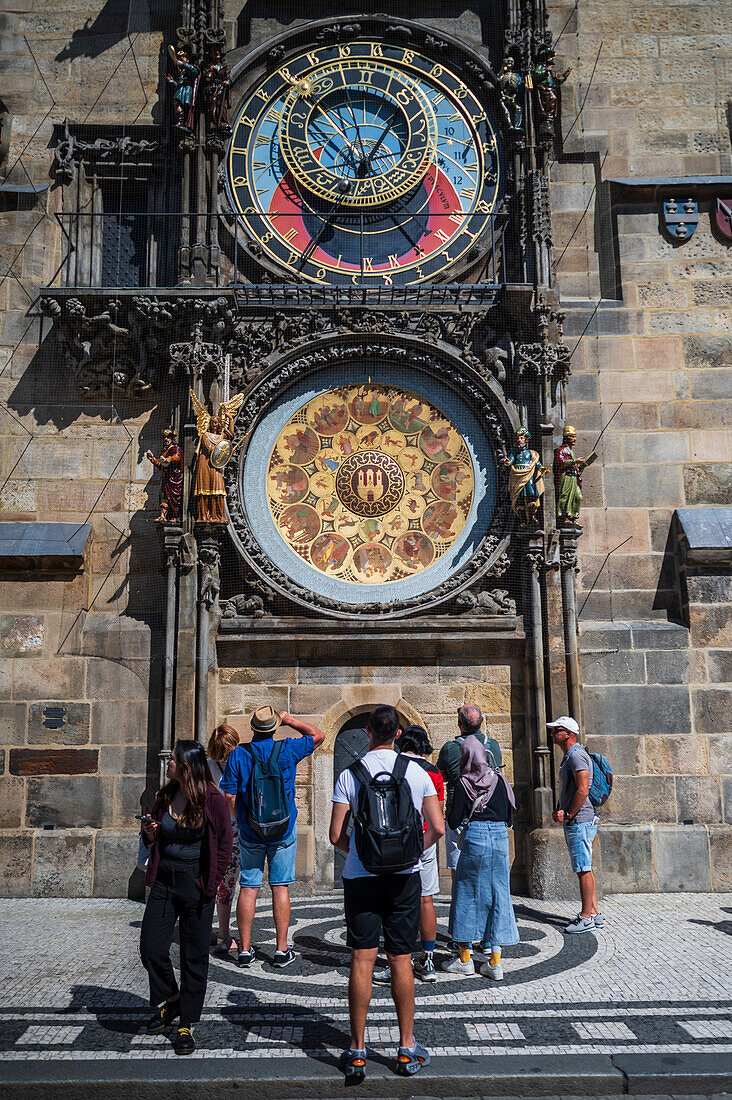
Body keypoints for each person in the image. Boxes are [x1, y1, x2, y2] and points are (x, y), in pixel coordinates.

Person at [329, 705, 445, 1079]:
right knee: (400, 959)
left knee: (362, 959)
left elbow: (335, 835)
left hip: (361, 878)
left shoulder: (350, 774)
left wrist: (362, 855)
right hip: (404, 877)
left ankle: (358, 1049)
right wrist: (411, 851)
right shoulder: (418, 772)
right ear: (398, 733)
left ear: (367, 732)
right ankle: (406, 1048)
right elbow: (438, 829)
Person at [139, 740, 233, 1055]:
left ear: (186, 765)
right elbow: (152, 837)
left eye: (174, 759)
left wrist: (211, 885)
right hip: (164, 882)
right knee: (151, 948)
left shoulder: (213, 799)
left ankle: (185, 1024)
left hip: (196, 883)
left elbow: (224, 845)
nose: (168, 762)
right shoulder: (165, 795)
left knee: (193, 957)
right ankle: (174, 1000)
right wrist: (150, 832)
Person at [221, 706, 324, 968]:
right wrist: (289, 718)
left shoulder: (238, 754)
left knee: (249, 887)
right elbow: (318, 735)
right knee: (280, 887)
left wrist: (240, 819)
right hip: (283, 830)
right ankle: (280, 950)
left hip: (250, 830)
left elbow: (230, 796)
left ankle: (244, 950)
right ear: (275, 727)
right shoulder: (288, 748)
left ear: (253, 727)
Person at [441, 735, 519, 979]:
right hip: (499, 839)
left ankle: (464, 958)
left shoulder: (465, 782)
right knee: (499, 894)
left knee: (466, 893)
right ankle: (495, 962)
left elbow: (454, 820)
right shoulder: (500, 780)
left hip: (474, 837)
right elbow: (510, 815)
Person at [373, 724, 445, 985]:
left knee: (395, 904)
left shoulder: (395, 767)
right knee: (426, 900)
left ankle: (396, 963)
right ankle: (427, 960)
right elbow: (437, 812)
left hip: (395, 842)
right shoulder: (434, 772)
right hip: (424, 841)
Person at [548, 716, 603, 933]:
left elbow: (583, 790)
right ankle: (595, 913)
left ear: (568, 733)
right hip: (579, 819)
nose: (553, 735)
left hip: (580, 820)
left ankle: (586, 917)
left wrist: (569, 814)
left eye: (556, 731)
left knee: (583, 869)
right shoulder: (571, 755)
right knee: (585, 867)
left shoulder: (577, 755)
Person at [437, 705, 503, 881]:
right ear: (482, 721)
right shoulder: (493, 746)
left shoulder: (450, 748)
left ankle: (460, 906)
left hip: (458, 814)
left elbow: (442, 774)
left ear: (459, 723)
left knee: (458, 872)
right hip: (487, 813)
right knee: (486, 871)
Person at [206, 723, 241, 957]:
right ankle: (224, 936)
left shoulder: (205, 768)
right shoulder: (241, 764)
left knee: (207, 882)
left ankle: (205, 930)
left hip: (207, 833)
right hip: (233, 835)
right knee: (226, 886)